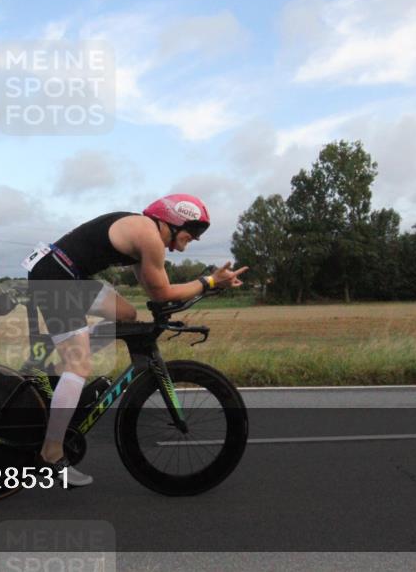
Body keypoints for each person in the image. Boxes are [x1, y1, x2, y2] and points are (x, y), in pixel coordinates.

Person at [23, 194, 248, 487]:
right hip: (55, 278)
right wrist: (210, 282)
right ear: (175, 222)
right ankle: (50, 455)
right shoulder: (149, 236)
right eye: (189, 237)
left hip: (64, 273)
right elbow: (163, 293)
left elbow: (154, 292)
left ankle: (63, 366)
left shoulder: (144, 234)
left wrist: (200, 289)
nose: (186, 244)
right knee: (79, 365)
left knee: (127, 314)